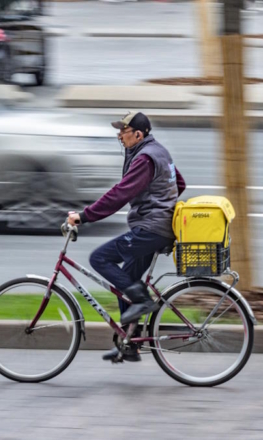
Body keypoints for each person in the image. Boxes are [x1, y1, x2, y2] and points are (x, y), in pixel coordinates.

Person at [67, 111, 186, 362]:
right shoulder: (158, 151)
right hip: (154, 226)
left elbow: (120, 194)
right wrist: (159, 202)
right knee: (126, 282)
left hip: (152, 229)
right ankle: (129, 345)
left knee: (100, 259)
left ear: (138, 134)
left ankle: (143, 300)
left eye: (123, 131)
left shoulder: (145, 158)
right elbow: (179, 183)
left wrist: (85, 216)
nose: (119, 135)